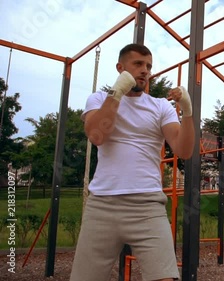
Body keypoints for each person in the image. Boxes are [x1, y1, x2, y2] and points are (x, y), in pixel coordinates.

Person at [70, 43, 194, 281]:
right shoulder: (98, 99)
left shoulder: (160, 106)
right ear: (120, 67)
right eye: (138, 64)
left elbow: (184, 150)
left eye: (148, 66)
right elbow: (97, 136)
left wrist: (187, 111)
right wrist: (116, 93)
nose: (145, 70)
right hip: (102, 206)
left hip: (147, 205)